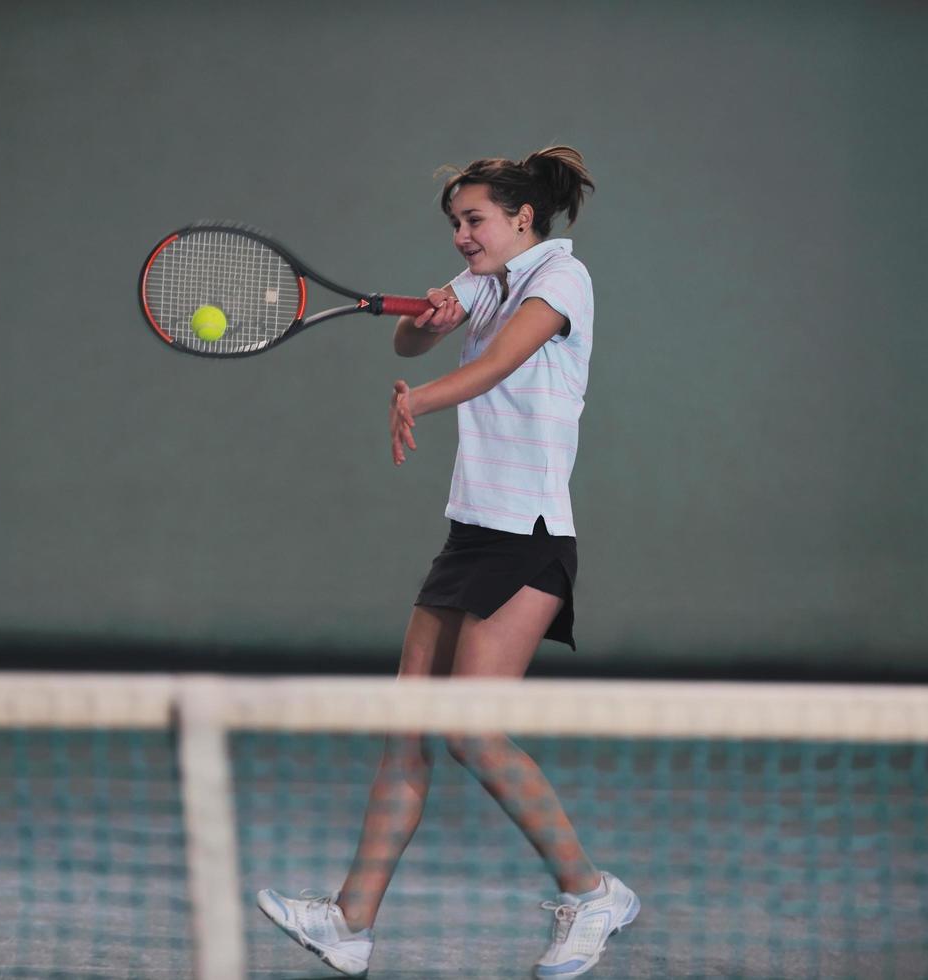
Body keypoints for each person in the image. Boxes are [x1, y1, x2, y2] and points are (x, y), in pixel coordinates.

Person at [256, 146, 638, 980]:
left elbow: (501, 360)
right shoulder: (484, 281)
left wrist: (417, 403)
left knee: (469, 727)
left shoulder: (558, 281)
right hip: (471, 530)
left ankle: (593, 891)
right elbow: (409, 345)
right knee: (409, 730)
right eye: (456, 224)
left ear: (522, 218)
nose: (463, 237)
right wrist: (423, 322)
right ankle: (350, 924)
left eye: (475, 221)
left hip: (530, 535)